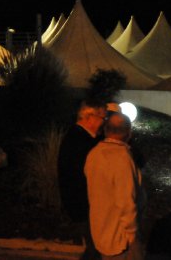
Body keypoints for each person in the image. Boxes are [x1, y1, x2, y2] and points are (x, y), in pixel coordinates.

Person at [85, 111, 146, 259]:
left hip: (101, 230)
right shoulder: (121, 158)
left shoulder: (94, 154)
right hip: (119, 237)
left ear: (106, 130)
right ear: (129, 133)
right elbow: (126, 202)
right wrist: (132, 235)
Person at [57, 101, 107, 260]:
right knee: (95, 250)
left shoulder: (81, 137)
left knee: (94, 249)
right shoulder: (80, 142)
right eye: (102, 117)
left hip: (83, 205)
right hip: (84, 206)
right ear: (89, 117)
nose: (104, 122)